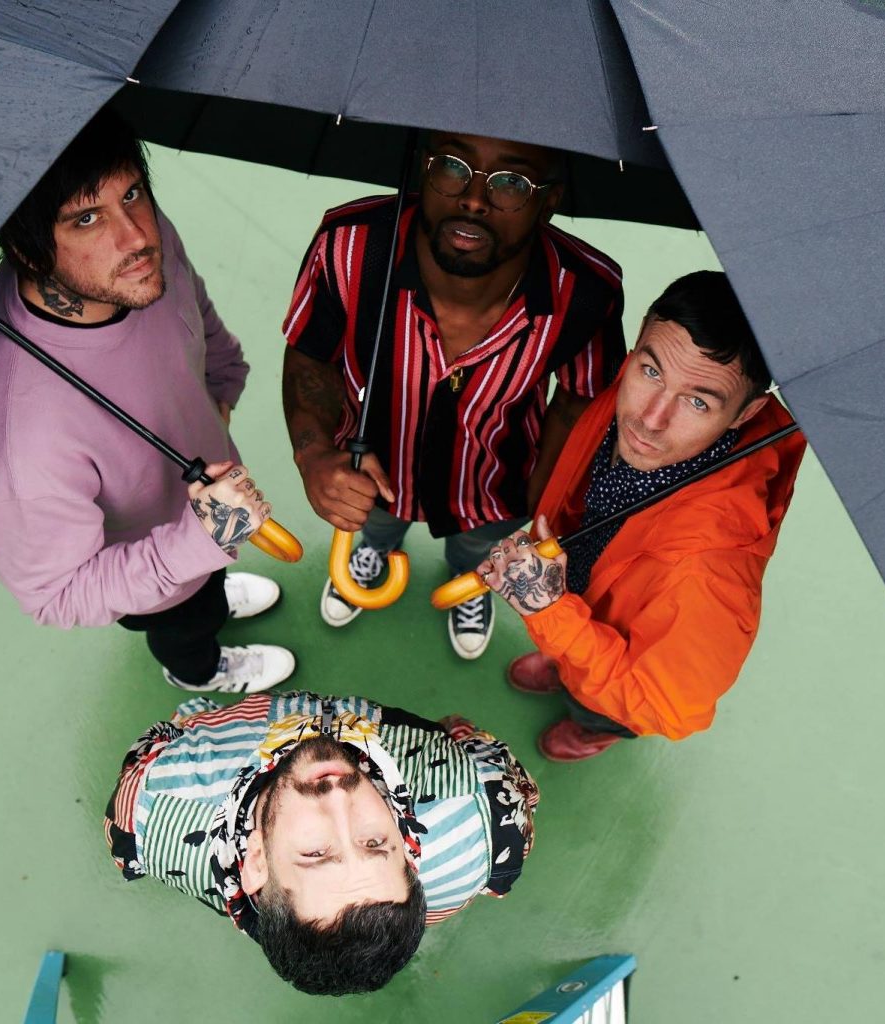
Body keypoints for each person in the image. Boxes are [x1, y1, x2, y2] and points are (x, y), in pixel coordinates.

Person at [0, 110, 294, 693]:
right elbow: (57, 594)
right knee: (186, 624)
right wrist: (195, 546)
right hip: (155, 577)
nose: (136, 236)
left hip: (207, 513)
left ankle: (209, 588)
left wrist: (222, 381)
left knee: (206, 586)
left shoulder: (132, 258)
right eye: (86, 218)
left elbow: (192, 308)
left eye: (131, 193)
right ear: (26, 250)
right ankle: (198, 670)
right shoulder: (12, 434)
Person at [282, 131, 625, 660]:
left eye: (512, 182)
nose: (473, 199)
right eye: (452, 166)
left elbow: (579, 399)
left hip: (494, 481)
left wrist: (542, 505)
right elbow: (310, 354)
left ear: (549, 201)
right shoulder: (349, 245)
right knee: (373, 521)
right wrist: (314, 454)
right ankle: (375, 551)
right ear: (421, 166)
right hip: (370, 465)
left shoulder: (586, 291)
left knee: (477, 547)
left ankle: (469, 575)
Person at [476, 271, 807, 761]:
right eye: (651, 371)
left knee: (596, 705)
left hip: (620, 681)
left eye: (697, 401)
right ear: (639, 345)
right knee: (570, 658)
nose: (649, 419)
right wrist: (558, 618)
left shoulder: (712, 573)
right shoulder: (636, 386)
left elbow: (662, 706)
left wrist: (551, 615)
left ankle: (591, 729)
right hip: (582, 594)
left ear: (745, 414)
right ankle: (566, 668)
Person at [104, 689, 539, 995]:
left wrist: (197, 720)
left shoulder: (152, 808)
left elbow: (165, 737)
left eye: (316, 853)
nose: (338, 799)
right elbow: (479, 748)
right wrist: (455, 732)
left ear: (255, 861)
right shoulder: (485, 813)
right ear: (409, 852)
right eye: (374, 842)